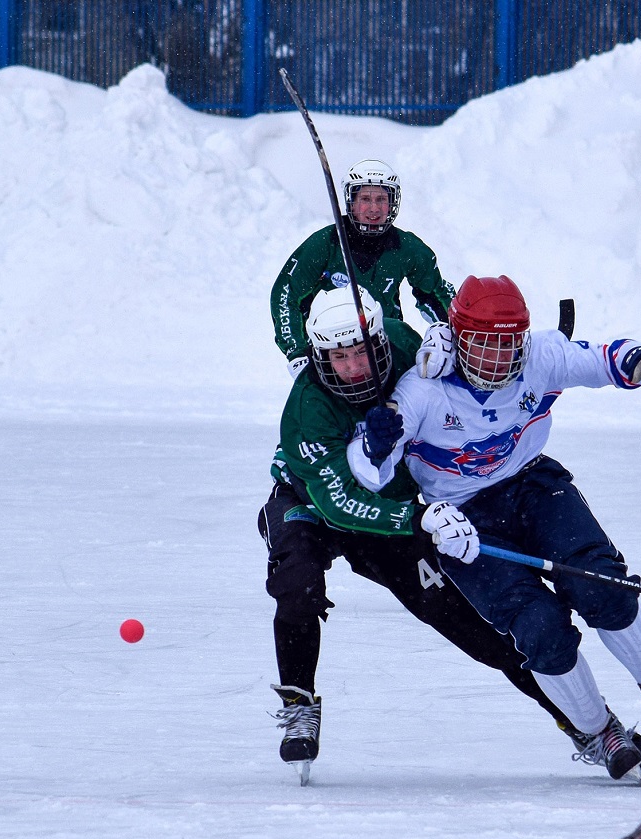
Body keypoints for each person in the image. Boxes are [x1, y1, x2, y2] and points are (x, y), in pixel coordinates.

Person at [349, 275, 641, 782]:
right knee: (538, 628)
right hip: (464, 520)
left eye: (508, 343)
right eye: (484, 344)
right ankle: (597, 730)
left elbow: (601, 358)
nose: (499, 358)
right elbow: (369, 471)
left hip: (532, 485)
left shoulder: (540, 356)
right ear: (457, 337)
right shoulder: (422, 390)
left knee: (601, 584)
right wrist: (375, 441)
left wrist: (639, 360)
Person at [259, 285, 618, 782]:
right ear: (320, 356)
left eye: (362, 352)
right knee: (297, 584)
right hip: (312, 502)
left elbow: (472, 340)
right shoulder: (306, 409)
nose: (353, 368)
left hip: (399, 510)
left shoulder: (408, 347)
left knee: (479, 627)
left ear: (382, 343)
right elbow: (337, 501)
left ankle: (586, 725)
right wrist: (417, 518)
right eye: (338, 358)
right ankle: (299, 705)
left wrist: (444, 337)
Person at [270, 160, 457, 379]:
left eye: (381, 199)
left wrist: (453, 337)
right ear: (352, 201)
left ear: (392, 203)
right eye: (365, 199)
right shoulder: (324, 244)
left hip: (385, 345)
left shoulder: (407, 248)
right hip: (333, 351)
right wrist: (297, 352)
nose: (374, 208)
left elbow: (436, 295)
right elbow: (286, 295)